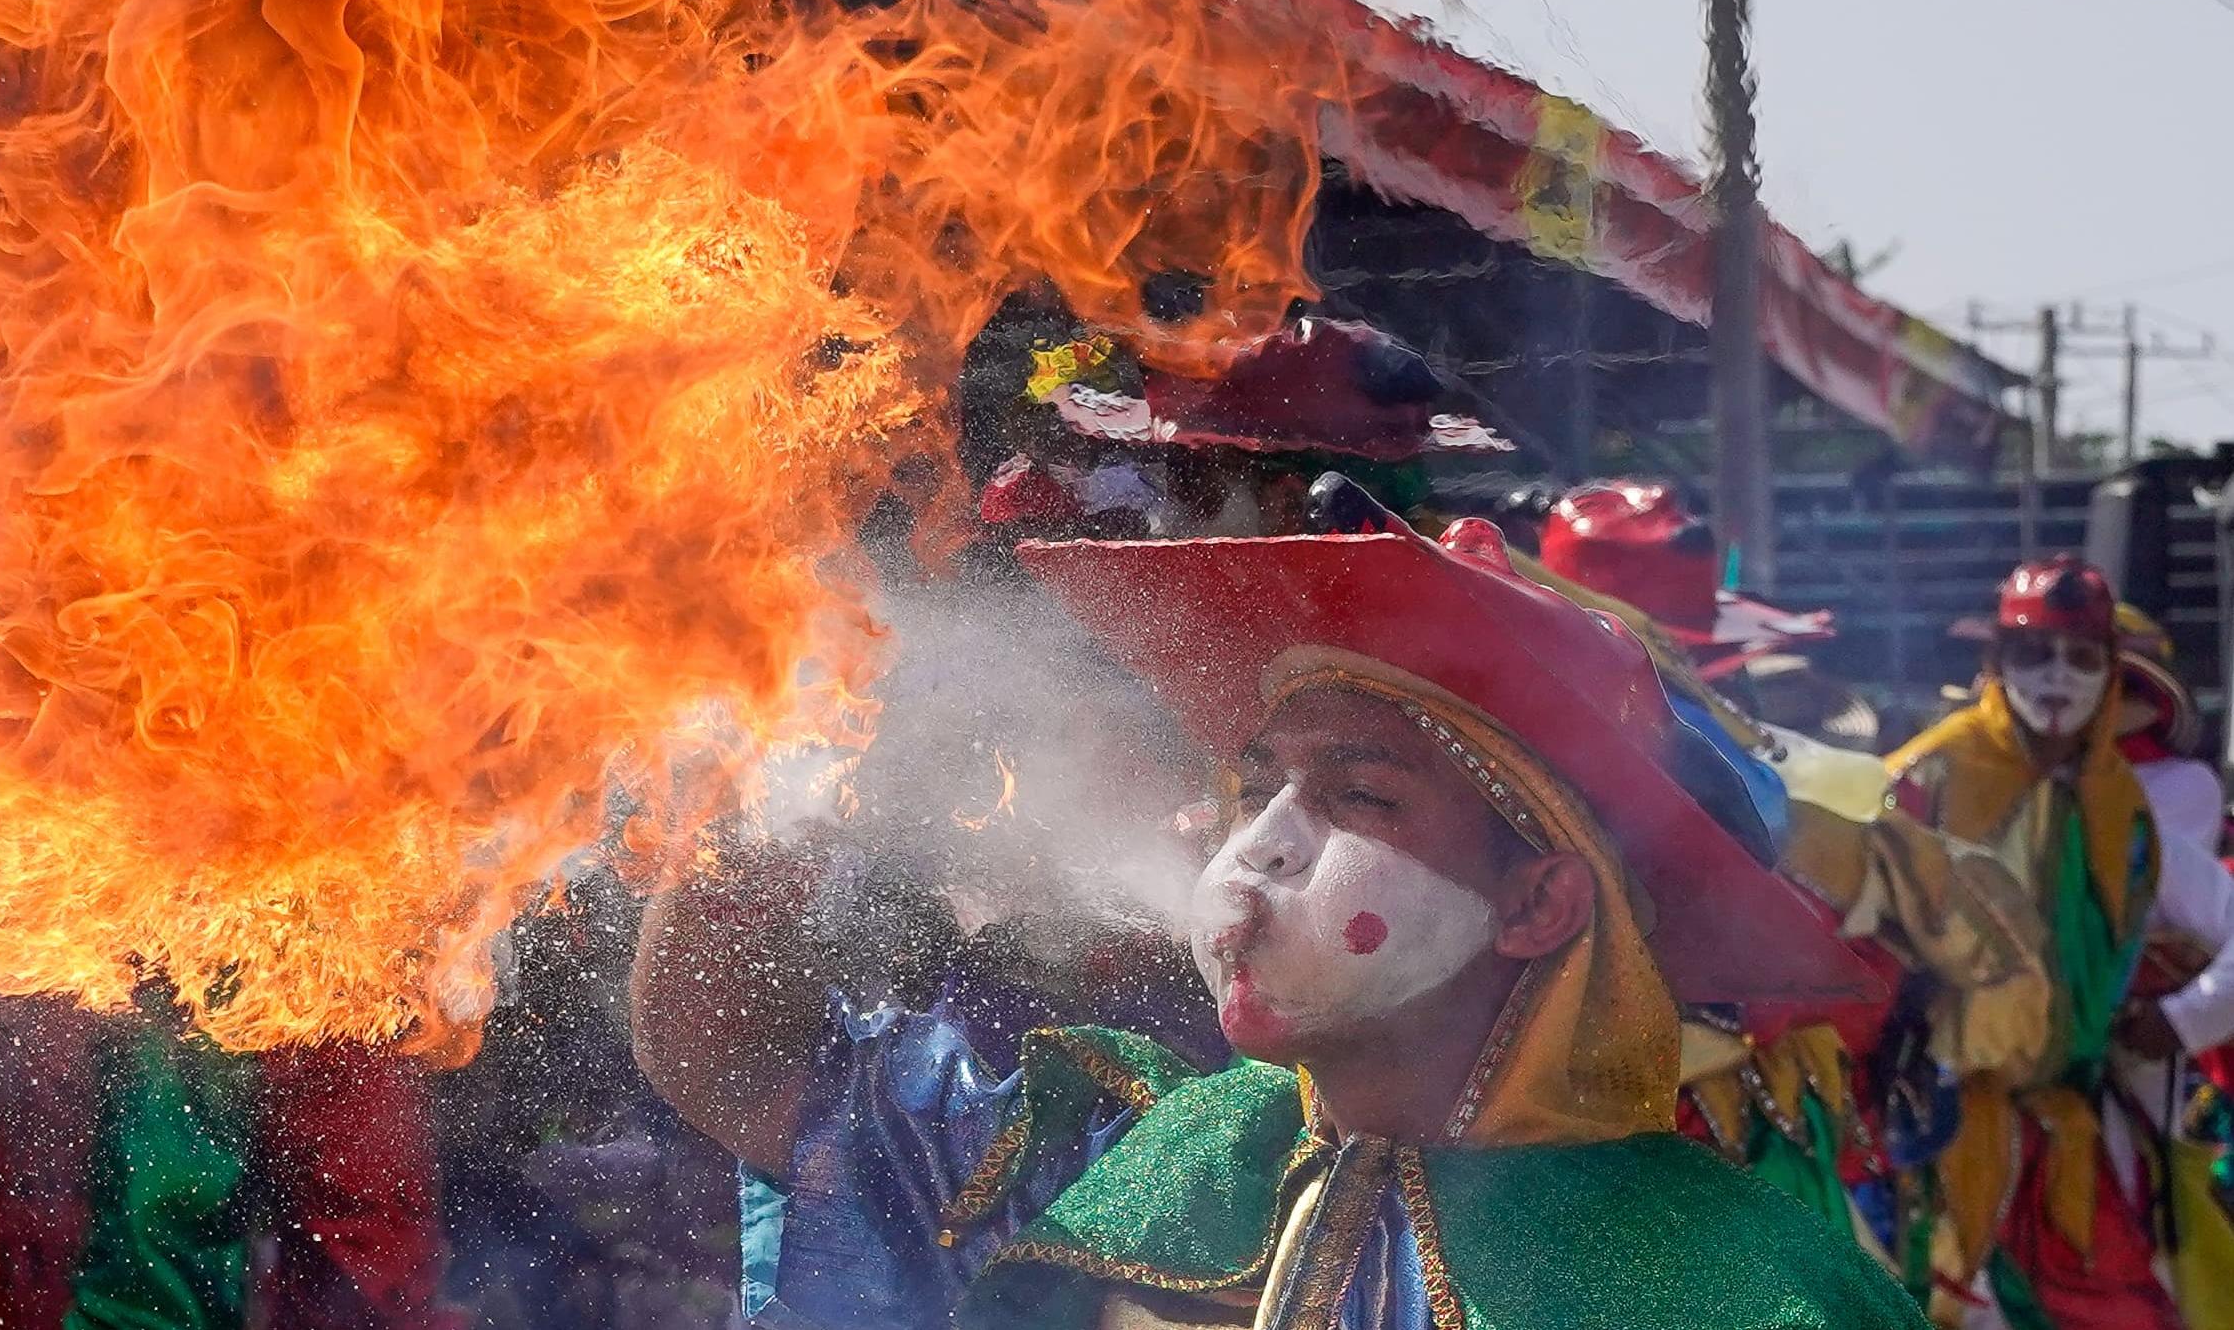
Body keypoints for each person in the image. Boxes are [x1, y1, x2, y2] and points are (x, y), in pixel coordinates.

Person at [632, 513, 1926, 1329]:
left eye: (1356, 793)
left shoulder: (1736, 1284)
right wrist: (761, 775)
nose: (1263, 840)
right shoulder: (1123, 1141)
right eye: (1259, 785)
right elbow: (744, 1069)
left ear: (1537, 901)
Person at [1890, 558, 2234, 1329]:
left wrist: (2181, 1020)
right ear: (1993, 663)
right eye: (2030, 652)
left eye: (2080, 657)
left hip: (2072, 1133)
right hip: (1929, 1136)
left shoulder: (2126, 807)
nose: (2055, 677)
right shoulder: (1926, 775)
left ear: (2109, 674)